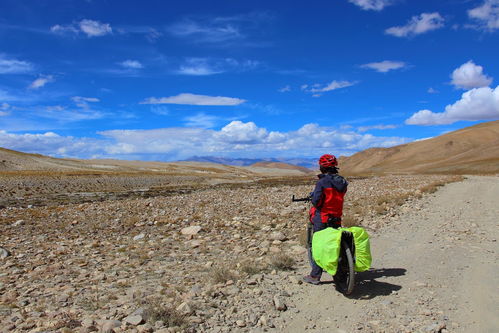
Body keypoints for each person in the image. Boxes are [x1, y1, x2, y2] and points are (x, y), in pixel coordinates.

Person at [303, 154, 348, 285]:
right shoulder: (343, 181)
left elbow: (317, 201)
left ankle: (315, 276)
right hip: (337, 216)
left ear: (323, 167)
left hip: (323, 217)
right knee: (335, 243)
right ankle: (340, 270)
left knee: (318, 244)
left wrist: (314, 199)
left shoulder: (322, 182)